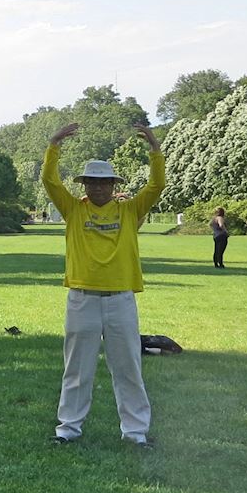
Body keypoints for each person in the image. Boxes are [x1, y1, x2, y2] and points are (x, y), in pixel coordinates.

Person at [43, 122, 165, 448]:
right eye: (92, 182)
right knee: (76, 368)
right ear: (84, 184)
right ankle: (68, 429)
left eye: (103, 182)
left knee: (128, 369)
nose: (98, 187)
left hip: (120, 299)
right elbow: (50, 181)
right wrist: (54, 145)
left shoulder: (129, 210)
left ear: (113, 185)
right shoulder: (73, 209)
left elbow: (156, 185)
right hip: (82, 298)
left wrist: (155, 149)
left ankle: (135, 433)